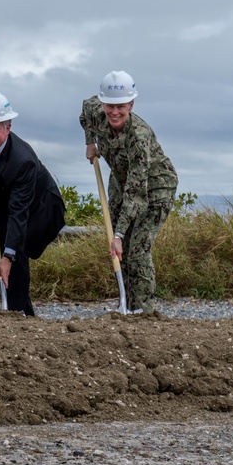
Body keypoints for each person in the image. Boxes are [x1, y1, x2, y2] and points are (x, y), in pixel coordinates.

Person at [80, 71, 178, 313]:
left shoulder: (139, 137)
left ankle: (142, 311)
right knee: (117, 253)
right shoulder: (96, 109)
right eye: (109, 106)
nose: (114, 112)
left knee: (136, 251)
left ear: (131, 104)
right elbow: (85, 110)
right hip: (121, 181)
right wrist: (90, 141)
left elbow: (137, 192)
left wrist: (120, 233)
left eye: (121, 107)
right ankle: (125, 305)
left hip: (155, 188)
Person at [0, 91, 65, 316]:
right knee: (2, 247)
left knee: (14, 251)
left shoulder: (23, 162)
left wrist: (8, 256)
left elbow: (19, 213)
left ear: (8, 128)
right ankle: (19, 310)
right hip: (5, 195)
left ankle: (17, 312)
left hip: (41, 206)